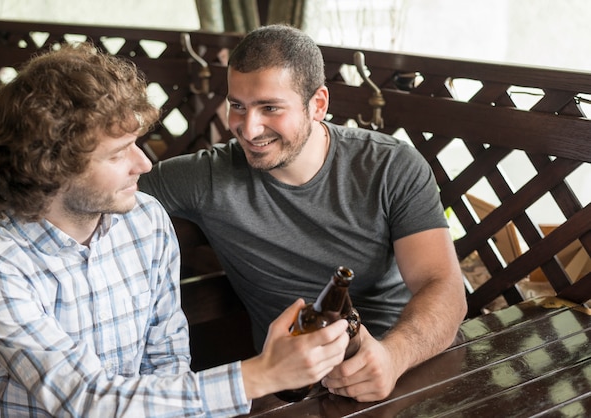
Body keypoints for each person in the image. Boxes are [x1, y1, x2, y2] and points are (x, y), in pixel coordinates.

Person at [0, 42, 351, 417]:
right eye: (118, 153)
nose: (144, 164)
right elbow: (86, 400)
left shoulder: (144, 220)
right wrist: (263, 374)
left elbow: (167, 360)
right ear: (49, 166)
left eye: (137, 143)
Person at [139, 24, 468, 402]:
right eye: (238, 106)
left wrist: (394, 357)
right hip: (293, 392)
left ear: (318, 104)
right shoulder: (205, 177)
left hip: (406, 368)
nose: (248, 128)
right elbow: (105, 196)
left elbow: (443, 286)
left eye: (270, 108)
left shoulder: (391, 165)